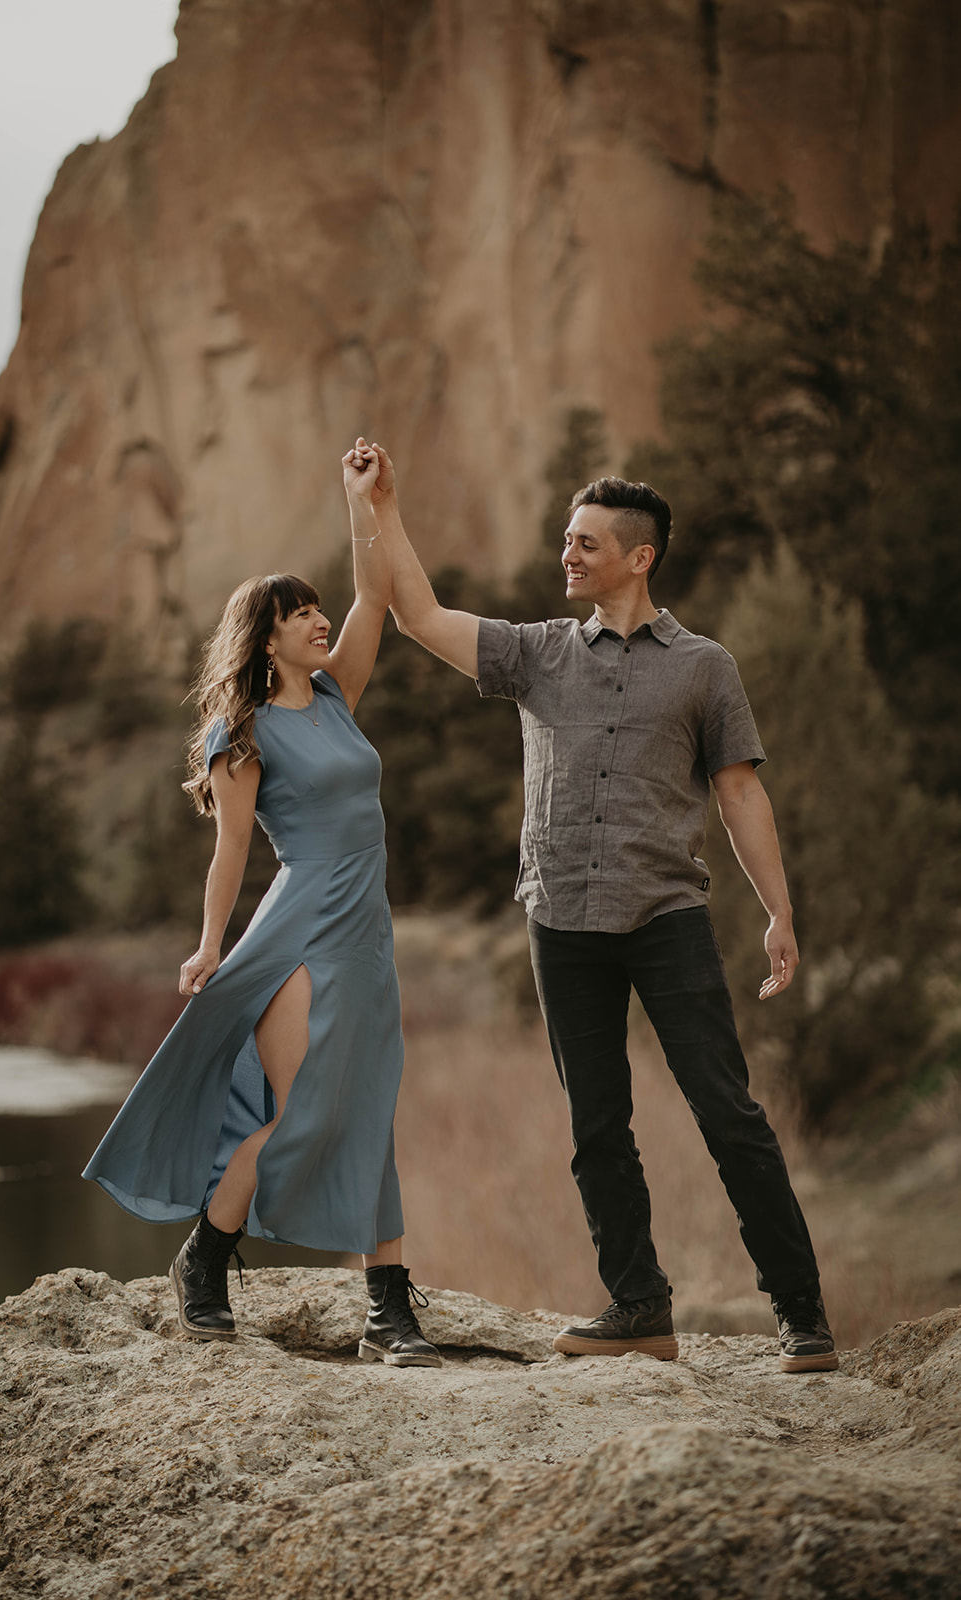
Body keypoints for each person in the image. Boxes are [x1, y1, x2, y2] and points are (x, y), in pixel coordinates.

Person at [348, 436, 837, 1375]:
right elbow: (415, 613)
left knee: (727, 1113)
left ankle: (802, 1314)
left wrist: (777, 912)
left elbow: (739, 794)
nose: (565, 554)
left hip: (666, 920)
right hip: (558, 922)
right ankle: (638, 1305)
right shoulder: (535, 654)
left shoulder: (703, 667)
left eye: (584, 543)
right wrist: (381, 505)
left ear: (639, 556)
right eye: (564, 539)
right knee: (595, 1127)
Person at [83, 444, 442, 1369]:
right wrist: (209, 946)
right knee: (300, 1111)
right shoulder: (239, 732)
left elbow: (375, 598)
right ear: (265, 634)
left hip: (367, 931)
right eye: (300, 612)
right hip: (298, 926)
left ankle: (388, 1315)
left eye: (316, 607)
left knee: (369, 1105)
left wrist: (365, 501)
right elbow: (232, 849)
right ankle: (204, 1261)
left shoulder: (335, 696)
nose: (321, 619)